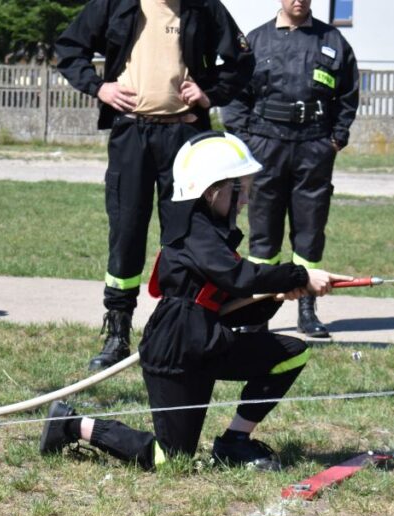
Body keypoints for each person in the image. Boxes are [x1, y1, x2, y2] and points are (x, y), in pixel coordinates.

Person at [39, 133, 347, 471]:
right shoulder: (194, 232)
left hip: (209, 344)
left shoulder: (214, 232)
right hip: (177, 351)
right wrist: (298, 275)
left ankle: (234, 442)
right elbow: (239, 277)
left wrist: (278, 295)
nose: (245, 199)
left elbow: (235, 299)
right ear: (213, 189)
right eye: (239, 188)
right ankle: (71, 425)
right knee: (170, 458)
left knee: (290, 354)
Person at [55, 0, 254, 372]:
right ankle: (117, 332)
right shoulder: (115, 4)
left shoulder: (204, 7)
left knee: (187, 233)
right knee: (126, 231)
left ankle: (183, 328)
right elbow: (69, 48)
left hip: (184, 134)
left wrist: (209, 92)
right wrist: (99, 88)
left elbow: (242, 60)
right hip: (131, 132)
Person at [222, 0, 359, 339]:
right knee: (263, 233)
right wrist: (245, 140)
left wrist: (335, 140)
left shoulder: (333, 41)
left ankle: (307, 308)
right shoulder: (255, 40)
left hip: (314, 145)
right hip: (265, 145)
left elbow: (348, 94)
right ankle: (259, 309)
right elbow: (236, 93)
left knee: (309, 229)